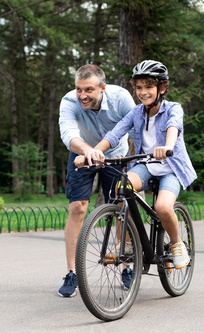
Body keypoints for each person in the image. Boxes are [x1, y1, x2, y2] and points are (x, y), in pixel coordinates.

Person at [79, 60, 197, 285]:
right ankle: (129, 242)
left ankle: (175, 243)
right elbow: (114, 134)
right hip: (146, 165)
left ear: (162, 88)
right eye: (139, 87)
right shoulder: (136, 113)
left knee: (162, 207)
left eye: (149, 87)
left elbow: (173, 128)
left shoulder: (173, 108)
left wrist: (168, 147)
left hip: (170, 168)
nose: (143, 92)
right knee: (122, 187)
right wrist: (93, 152)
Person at [58, 64, 136, 297]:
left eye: (89, 90)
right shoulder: (69, 101)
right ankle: (72, 272)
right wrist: (88, 151)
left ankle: (126, 266)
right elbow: (68, 133)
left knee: (121, 208)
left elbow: (137, 127)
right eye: (79, 89)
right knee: (77, 207)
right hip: (81, 154)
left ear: (102, 88)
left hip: (115, 155)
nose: (82, 95)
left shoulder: (121, 98)